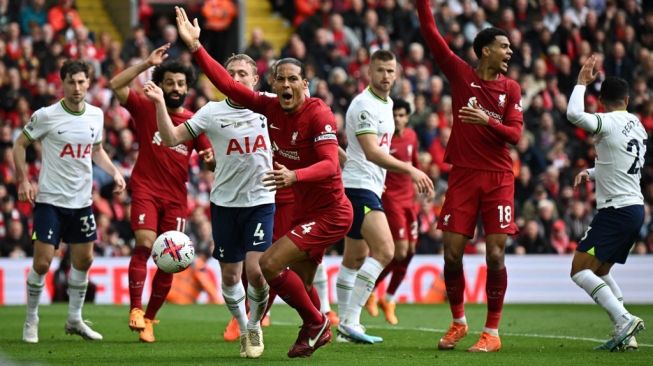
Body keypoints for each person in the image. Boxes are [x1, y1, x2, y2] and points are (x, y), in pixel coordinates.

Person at [176, 6, 352, 358]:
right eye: (281, 79)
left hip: (331, 211)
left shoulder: (317, 112)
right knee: (298, 279)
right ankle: (313, 325)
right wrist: (196, 48)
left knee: (268, 265)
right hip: (302, 209)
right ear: (272, 84)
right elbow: (226, 85)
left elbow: (331, 166)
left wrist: (294, 175)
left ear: (306, 83)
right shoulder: (267, 108)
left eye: (293, 80)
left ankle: (317, 324)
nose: (286, 85)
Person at [145, 53, 274, 358]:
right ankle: (243, 326)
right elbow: (170, 137)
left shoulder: (269, 104)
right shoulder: (211, 112)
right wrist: (161, 104)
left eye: (243, 73)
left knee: (257, 272)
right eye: (230, 73)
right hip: (225, 204)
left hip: (261, 200)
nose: (236, 78)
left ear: (255, 79)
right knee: (230, 276)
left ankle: (254, 325)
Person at [416, 1, 524, 352]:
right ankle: (458, 322)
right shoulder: (461, 75)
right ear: (486, 50)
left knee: (495, 255)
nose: (510, 52)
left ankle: (492, 331)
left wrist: (487, 120)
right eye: (504, 46)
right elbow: (432, 36)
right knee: (451, 254)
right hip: (463, 175)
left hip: (498, 177)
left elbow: (515, 135)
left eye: (510, 47)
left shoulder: (512, 89)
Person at [15, 60, 126, 343]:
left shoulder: (96, 115)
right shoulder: (47, 116)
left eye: (81, 82)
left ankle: (75, 319)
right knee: (42, 262)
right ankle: (31, 320)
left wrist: (114, 172)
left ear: (88, 83)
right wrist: (24, 180)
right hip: (50, 200)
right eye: (71, 82)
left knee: (85, 259)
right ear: (62, 84)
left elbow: (97, 150)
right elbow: (19, 145)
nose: (77, 88)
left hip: (82, 202)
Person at [109, 44, 214, 343]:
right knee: (144, 244)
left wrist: (212, 161)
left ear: (187, 87)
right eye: (170, 82)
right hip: (145, 189)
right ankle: (135, 309)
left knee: (171, 260)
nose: (176, 88)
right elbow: (115, 85)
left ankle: (151, 319)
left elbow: (210, 161)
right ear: (162, 85)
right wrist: (146, 63)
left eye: (181, 83)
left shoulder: (195, 122)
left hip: (176, 199)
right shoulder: (145, 106)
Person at [336, 50, 433, 344]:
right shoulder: (364, 105)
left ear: (397, 73)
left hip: (367, 185)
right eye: (380, 70)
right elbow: (371, 152)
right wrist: (410, 170)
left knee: (355, 257)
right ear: (369, 72)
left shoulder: (388, 104)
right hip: (359, 187)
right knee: (387, 251)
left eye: (391, 71)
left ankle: (343, 325)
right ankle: (351, 320)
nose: (386, 76)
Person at [567, 55, 646, 351]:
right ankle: (627, 336)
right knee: (601, 271)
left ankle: (623, 319)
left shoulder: (607, 121)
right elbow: (618, 163)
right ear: (626, 99)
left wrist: (579, 83)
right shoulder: (637, 125)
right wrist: (591, 172)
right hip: (635, 210)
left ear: (601, 101)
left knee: (579, 270)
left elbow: (574, 115)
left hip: (616, 209)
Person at [365, 99, 421, 326]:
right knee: (399, 250)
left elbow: (414, 164)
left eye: (401, 115)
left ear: (407, 117)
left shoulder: (412, 137)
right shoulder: (383, 138)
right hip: (392, 200)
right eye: (394, 115)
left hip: (410, 201)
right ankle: (370, 289)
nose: (398, 119)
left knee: (410, 252)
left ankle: (388, 299)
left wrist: (420, 188)